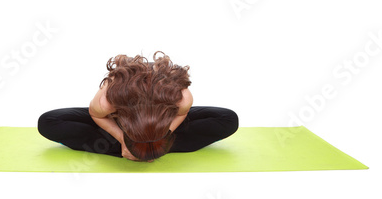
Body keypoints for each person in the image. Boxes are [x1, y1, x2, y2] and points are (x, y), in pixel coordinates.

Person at [37, 51, 239, 162]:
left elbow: (184, 114)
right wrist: (123, 141)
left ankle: (151, 145)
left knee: (228, 120)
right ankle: (141, 146)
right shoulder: (108, 101)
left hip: (162, 121)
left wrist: (163, 137)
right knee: (48, 122)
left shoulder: (181, 98)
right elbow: (96, 116)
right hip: (119, 120)